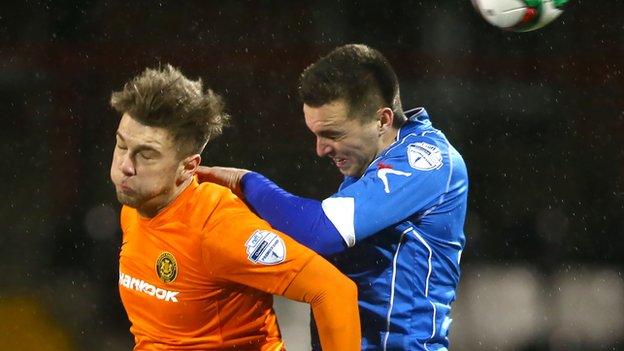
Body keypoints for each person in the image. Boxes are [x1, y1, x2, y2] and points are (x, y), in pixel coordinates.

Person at [197, 44, 469, 350]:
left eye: (333, 135)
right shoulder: (371, 160)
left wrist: (247, 182)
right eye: (315, 134)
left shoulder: (426, 160)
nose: (320, 149)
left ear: (382, 120)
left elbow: (321, 233)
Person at [109, 64, 361, 350]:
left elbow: (333, 291)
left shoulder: (219, 227)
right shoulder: (134, 207)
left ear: (188, 167)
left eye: (147, 155)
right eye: (121, 145)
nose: (125, 165)